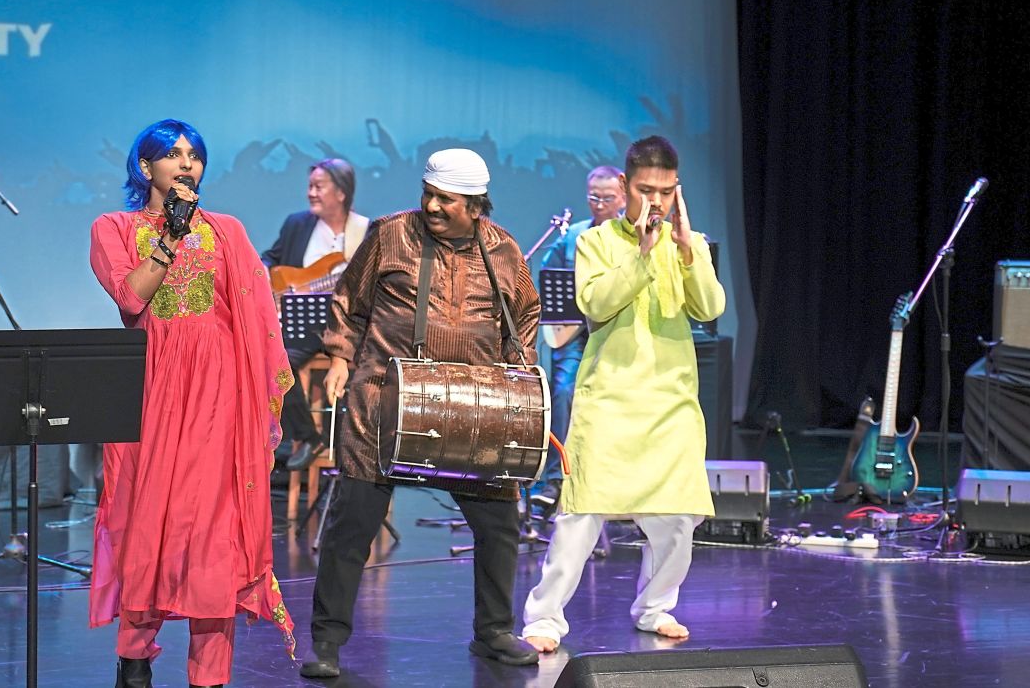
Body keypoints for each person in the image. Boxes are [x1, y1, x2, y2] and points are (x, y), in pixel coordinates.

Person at [300, 148, 542, 678]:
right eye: (427, 194)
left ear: (476, 205)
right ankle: (327, 641)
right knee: (351, 524)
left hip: (473, 412)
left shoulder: (503, 251)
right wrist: (341, 355)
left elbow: (523, 316)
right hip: (383, 402)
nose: (431, 205)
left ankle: (494, 631)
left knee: (500, 524)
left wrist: (515, 383)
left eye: (445, 200)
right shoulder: (390, 234)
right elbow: (349, 301)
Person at [88, 119, 296, 688]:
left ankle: (211, 676)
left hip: (217, 397)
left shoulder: (228, 230)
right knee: (146, 521)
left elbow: (254, 319)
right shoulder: (114, 227)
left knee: (212, 531)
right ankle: (134, 659)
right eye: (173, 155)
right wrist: (170, 237)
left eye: (195, 156)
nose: (186, 165)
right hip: (151, 391)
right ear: (144, 166)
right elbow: (131, 297)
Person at [522, 135, 726, 652]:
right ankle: (545, 616)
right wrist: (641, 254)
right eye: (644, 189)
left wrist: (684, 250)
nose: (654, 201)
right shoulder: (597, 242)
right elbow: (595, 304)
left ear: (677, 190)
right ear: (625, 187)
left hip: (671, 399)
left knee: (678, 516)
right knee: (581, 511)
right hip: (610, 396)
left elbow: (709, 307)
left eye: (665, 191)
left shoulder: (691, 244)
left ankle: (655, 607)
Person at [261, 159, 369, 470]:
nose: (311, 193)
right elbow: (270, 258)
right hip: (302, 324)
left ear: (341, 193)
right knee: (271, 360)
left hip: (345, 330)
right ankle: (308, 435)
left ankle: (356, 452)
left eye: (319, 187)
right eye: (310, 186)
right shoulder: (298, 224)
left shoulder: (365, 231)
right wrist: (269, 278)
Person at [530, 165, 625, 511]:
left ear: (624, 198)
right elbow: (549, 275)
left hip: (614, 334)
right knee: (563, 390)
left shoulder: (628, 238)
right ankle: (554, 479)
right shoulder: (575, 236)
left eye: (608, 198)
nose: (599, 204)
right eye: (593, 197)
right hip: (574, 332)